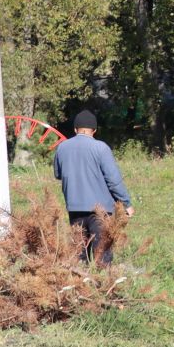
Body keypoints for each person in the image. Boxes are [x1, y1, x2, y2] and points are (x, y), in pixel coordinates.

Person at [52, 110, 133, 265]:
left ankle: (80, 285)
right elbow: (113, 180)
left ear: (75, 129)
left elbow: (58, 174)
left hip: (75, 209)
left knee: (79, 254)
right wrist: (126, 203)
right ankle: (103, 286)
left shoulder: (62, 148)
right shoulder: (101, 148)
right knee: (102, 255)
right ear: (94, 130)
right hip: (101, 211)